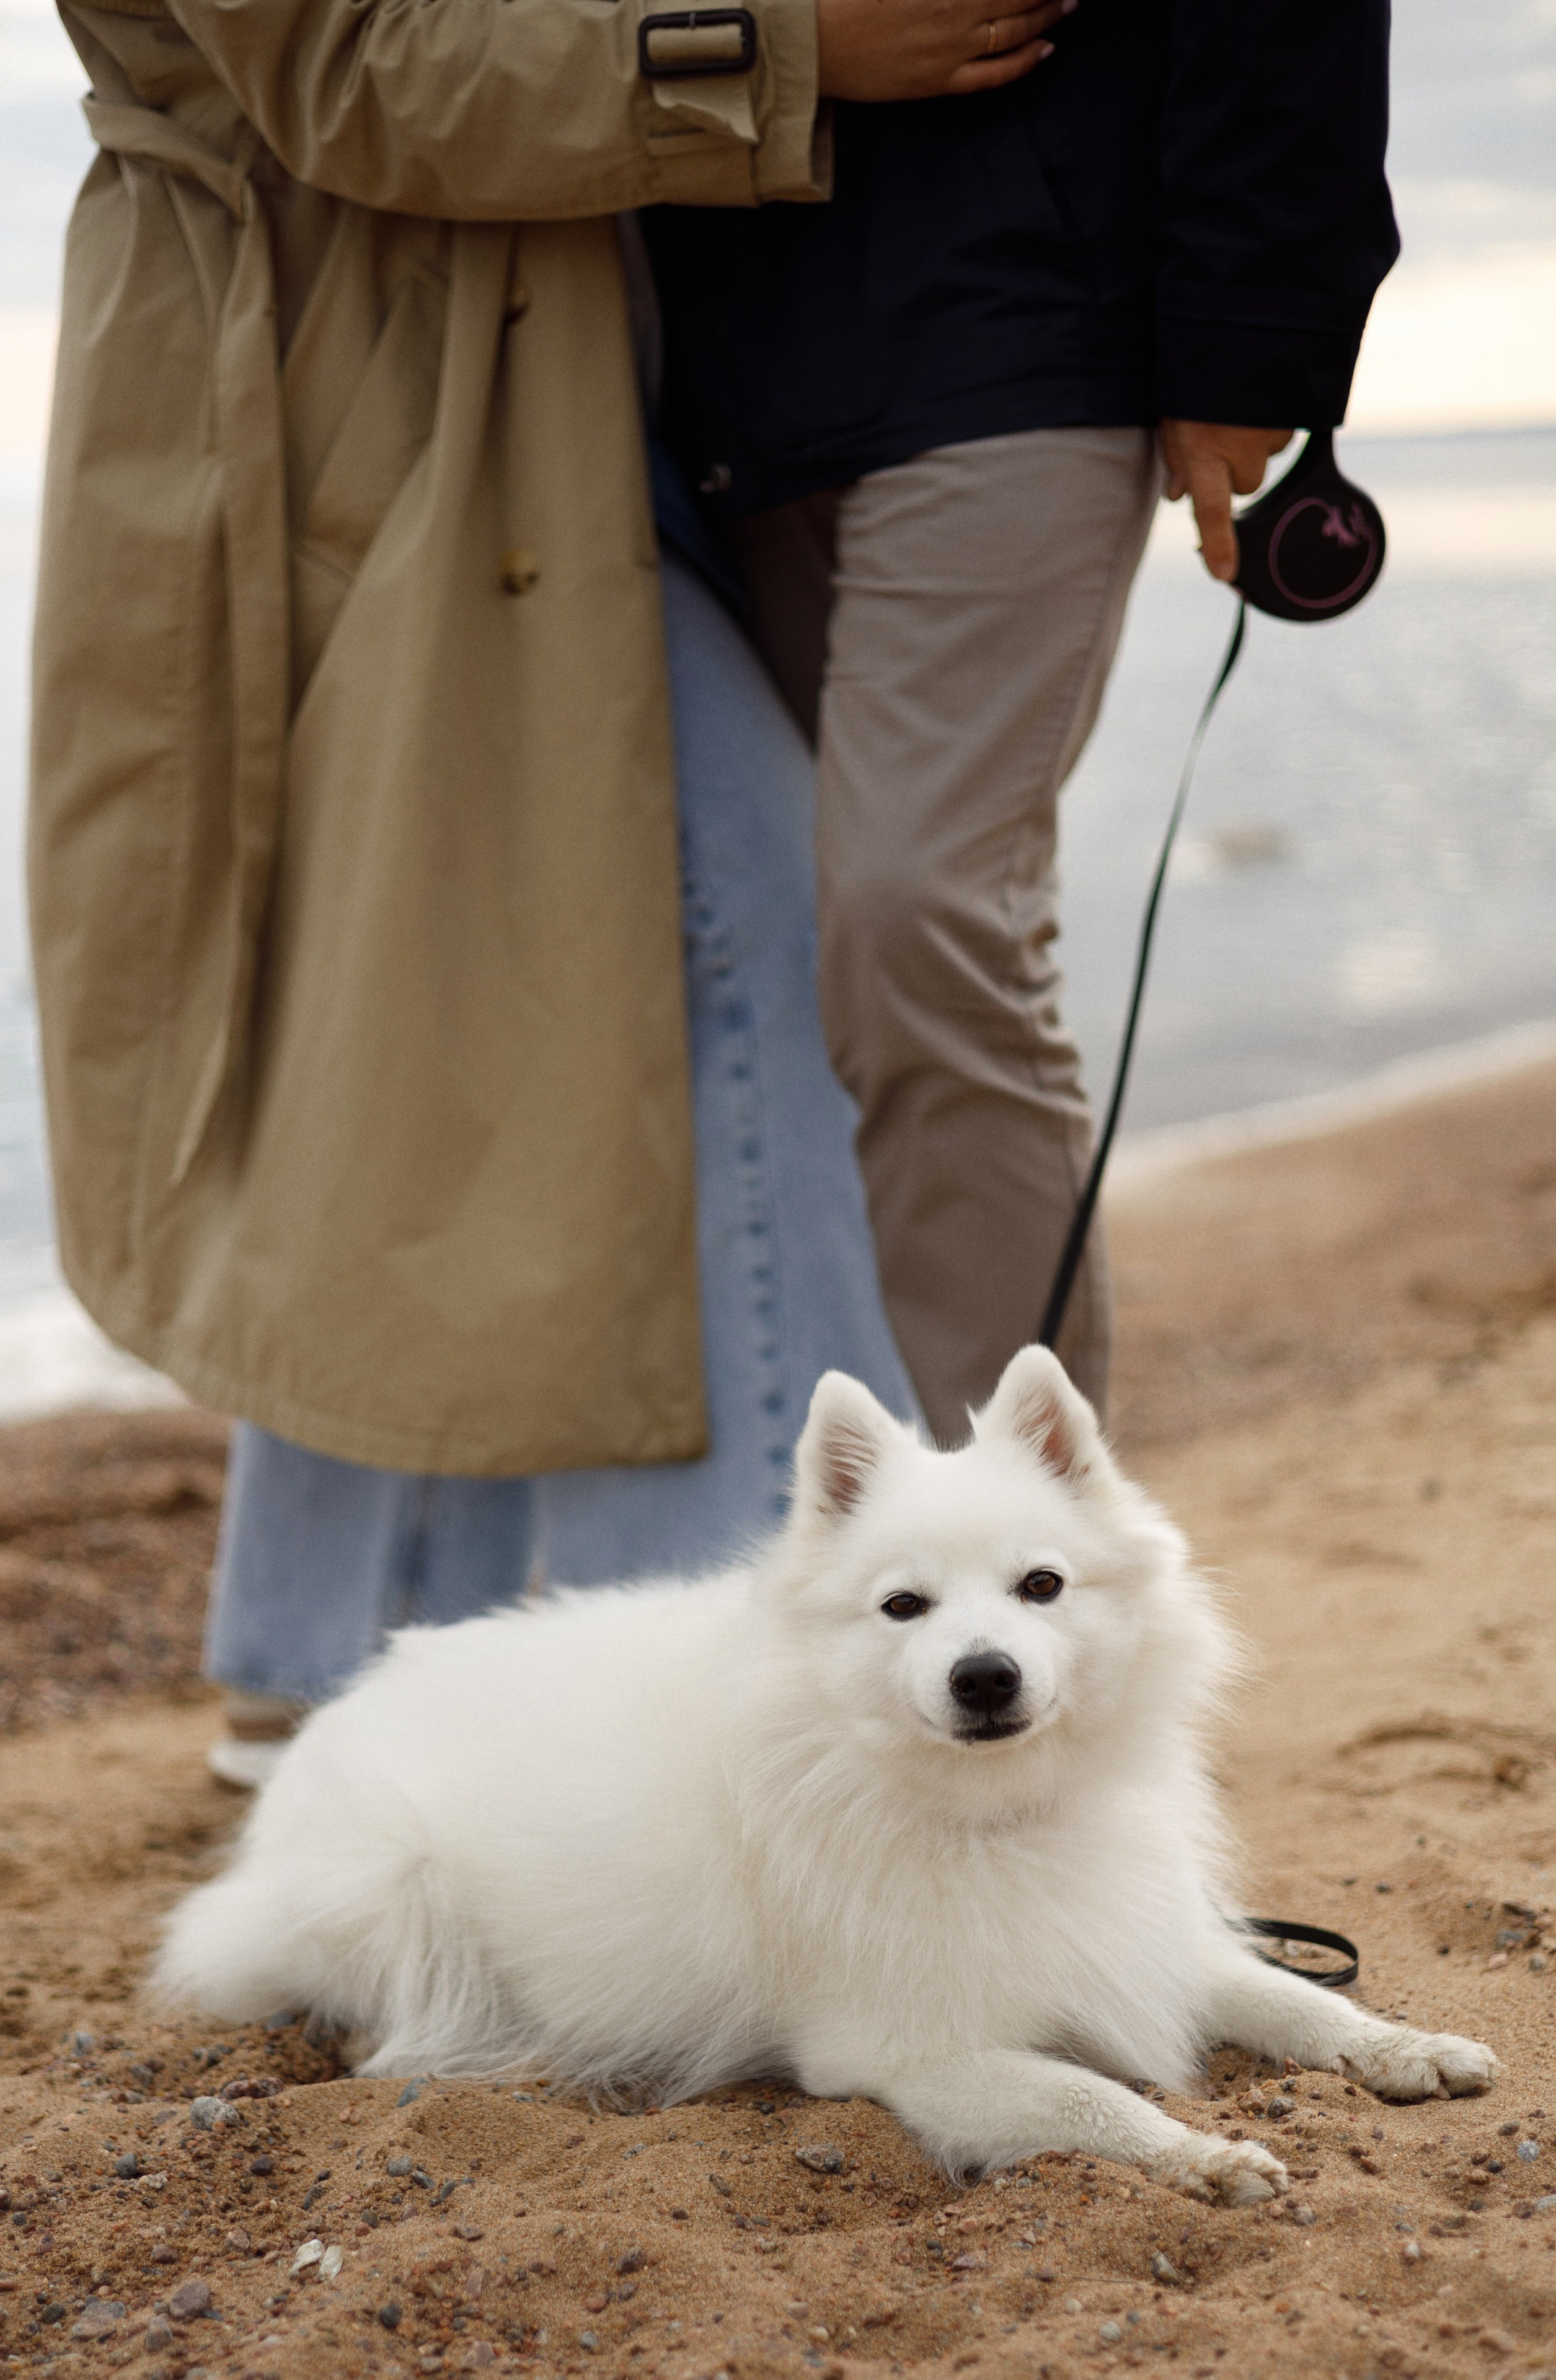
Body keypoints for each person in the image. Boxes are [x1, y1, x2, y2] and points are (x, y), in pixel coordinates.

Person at [29, 0, 1072, 1781]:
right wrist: (787, 52)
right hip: (358, 383)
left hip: (551, 373)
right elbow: (359, 66)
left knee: (423, 1010)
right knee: (742, 953)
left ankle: (331, 1661)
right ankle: (719, 1677)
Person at [643, 0, 1399, 1443]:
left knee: (922, 913)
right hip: (705, 364)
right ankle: (819, 1537)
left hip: (1025, 323)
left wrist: (1248, 331)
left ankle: (1004, 1550)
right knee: (764, 960)